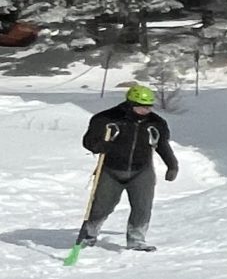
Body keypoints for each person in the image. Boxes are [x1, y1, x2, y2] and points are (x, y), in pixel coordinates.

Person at [75, 83, 179, 252]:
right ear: (130, 104)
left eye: (149, 107)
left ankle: (136, 239)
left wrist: (172, 165)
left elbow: (162, 145)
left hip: (142, 171)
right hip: (110, 170)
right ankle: (89, 234)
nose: (146, 110)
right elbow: (89, 142)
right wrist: (100, 145)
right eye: (141, 107)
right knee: (102, 206)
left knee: (142, 206)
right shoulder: (107, 119)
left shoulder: (156, 123)